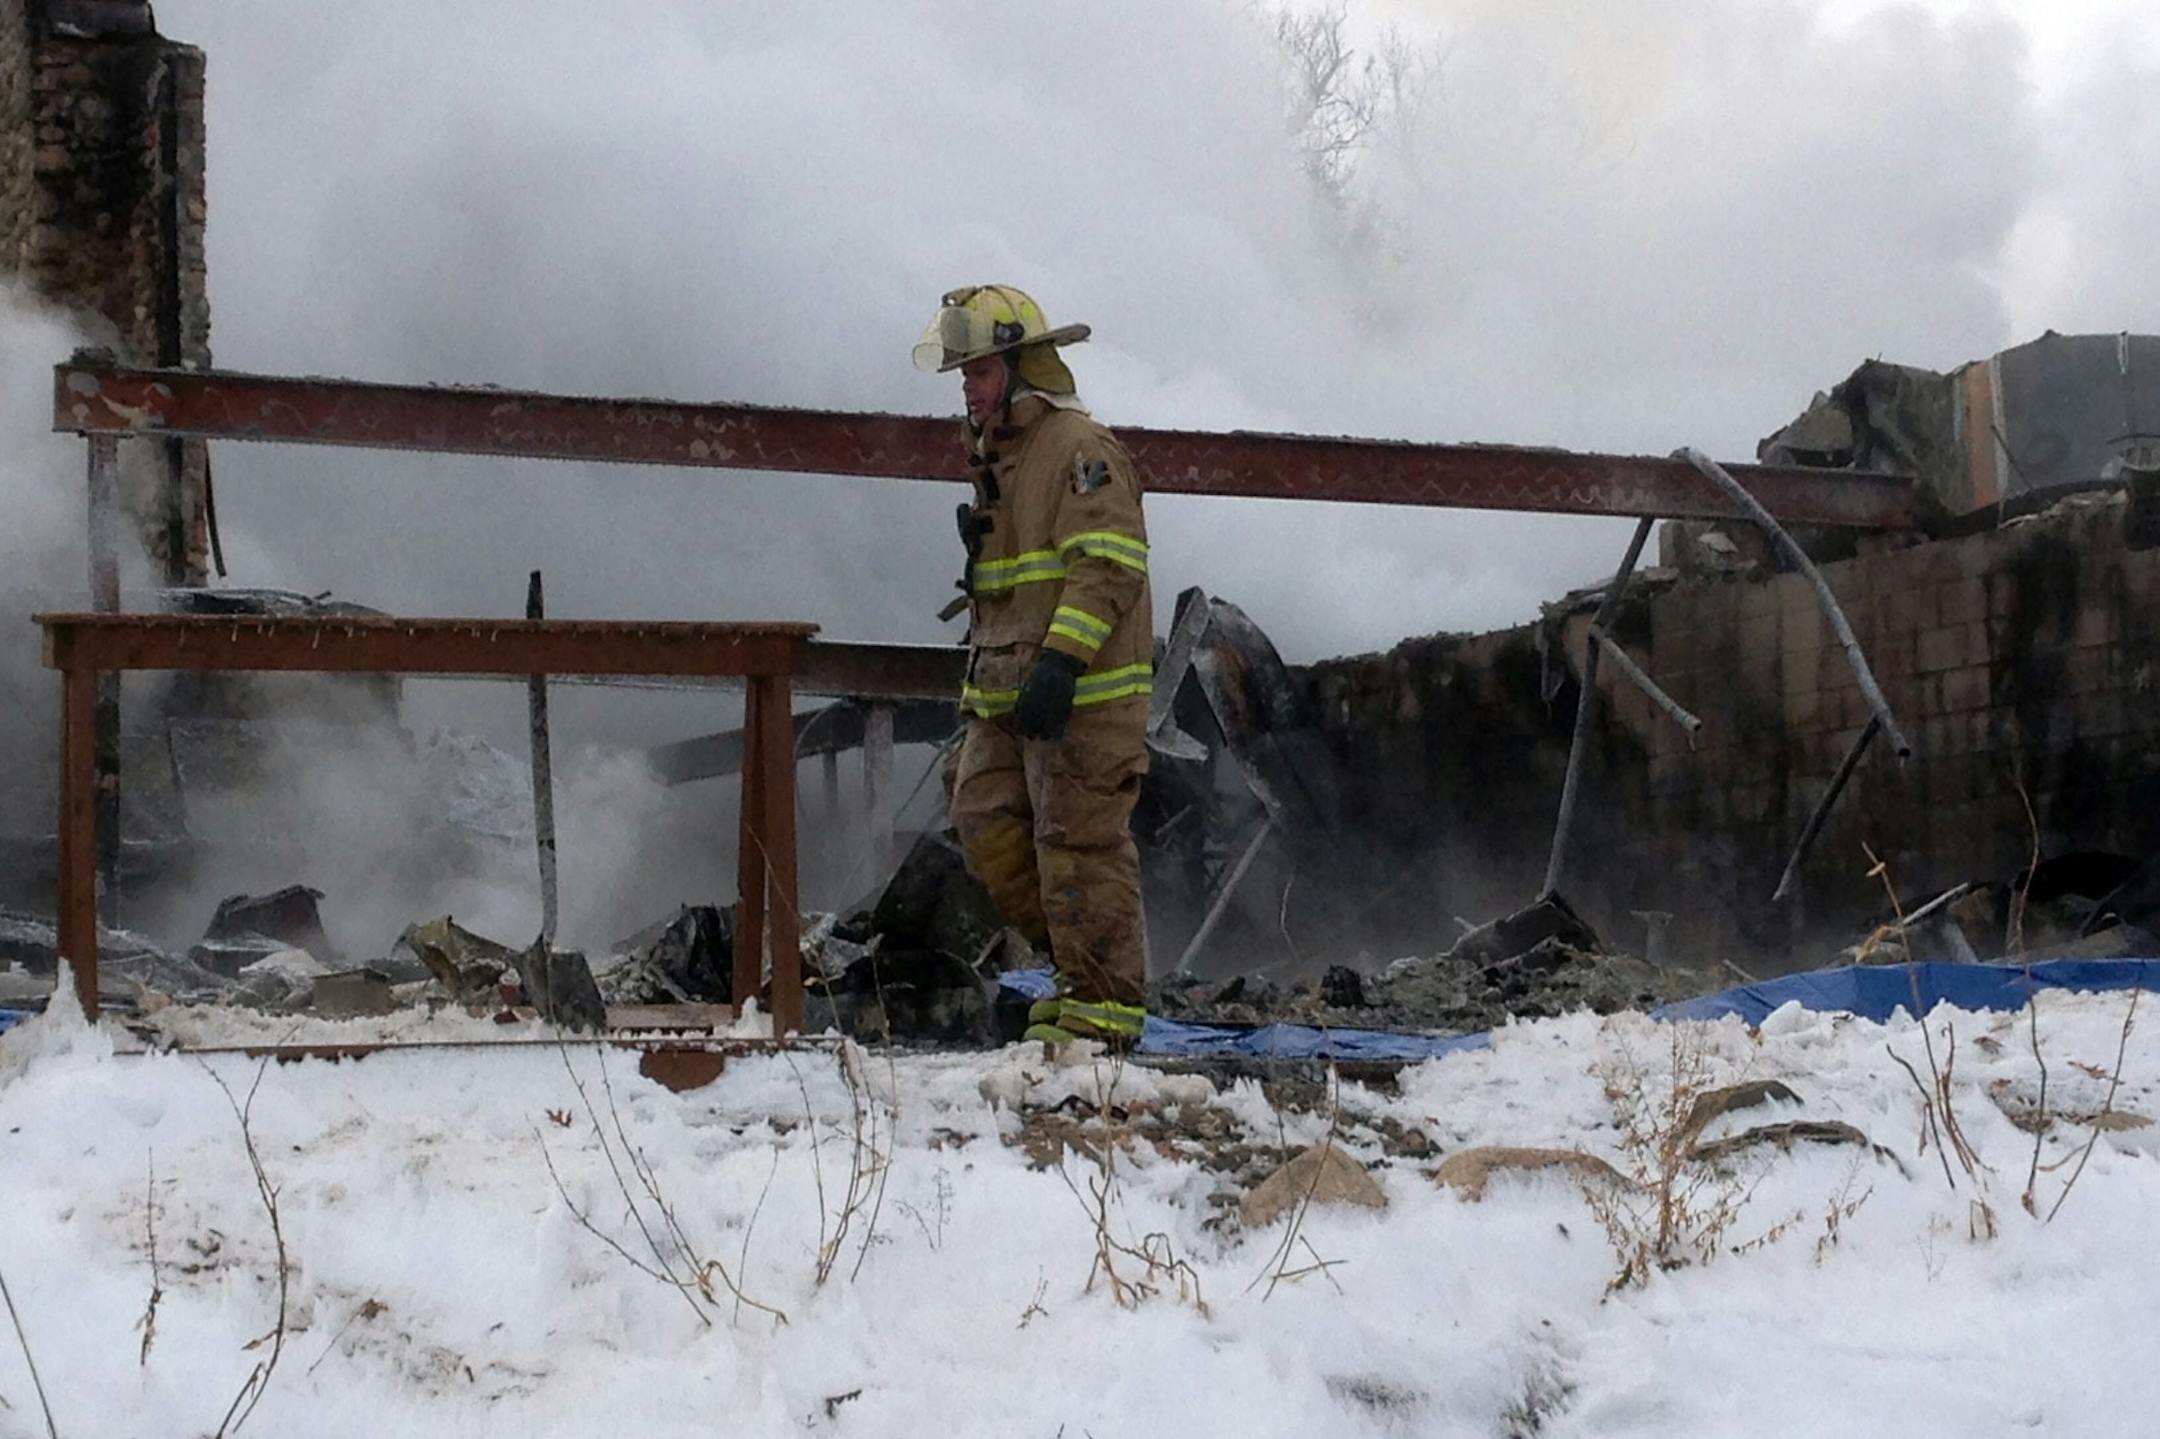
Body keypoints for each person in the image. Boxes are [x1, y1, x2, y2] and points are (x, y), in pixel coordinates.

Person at [912, 285, 1153, 1047]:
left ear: (1020, 366)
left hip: (1080, 696)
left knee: (1076, 840)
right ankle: (1079, 971)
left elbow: (1108, 565)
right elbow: (1011, 588)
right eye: (963, 372)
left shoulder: (1078, 449)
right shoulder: (1000, 458)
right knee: (983, 818)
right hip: (1006, 693)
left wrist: (1060, 664)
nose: (967, 386)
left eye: (978, 370)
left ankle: (1104, 1012)